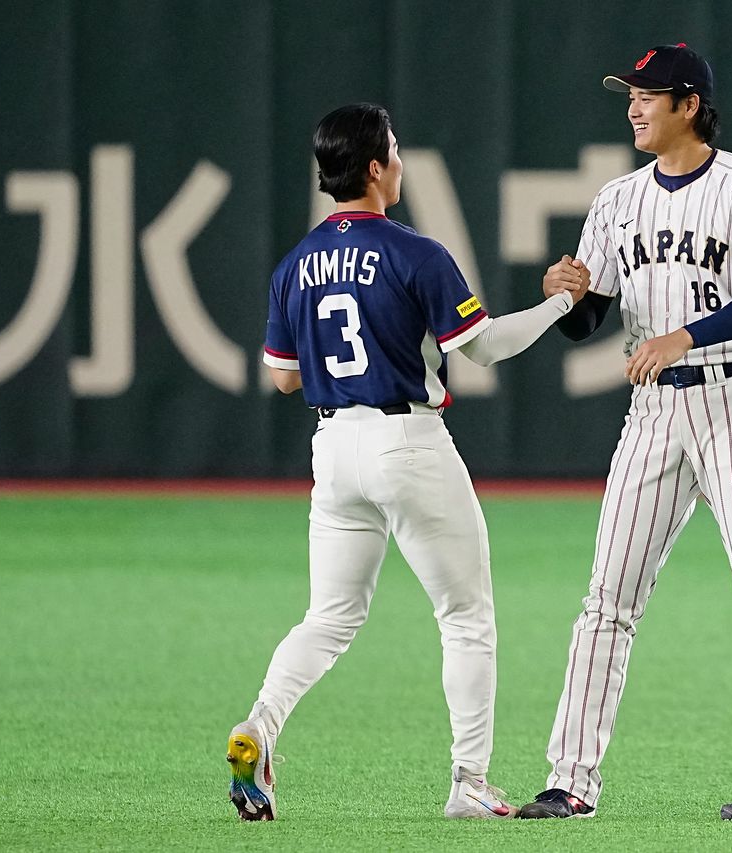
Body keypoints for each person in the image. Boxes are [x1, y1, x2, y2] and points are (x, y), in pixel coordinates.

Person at [226, 103, 588, 821]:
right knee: (466, 616)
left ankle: (260, 725)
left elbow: (283, 376)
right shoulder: (414, 252)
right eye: (392, 150)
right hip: (407, 441)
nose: (400, 161)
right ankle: (470, 781)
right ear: (373, 167)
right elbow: (482, 347)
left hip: (335, 449)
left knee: (330, 616)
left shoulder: (295, 263)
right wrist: (557, 305)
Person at [517, 44, 732, 822]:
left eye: (648, 95)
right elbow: (588, 319)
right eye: (630, 94)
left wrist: (685, 335)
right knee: (607, 597)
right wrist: (563, 293)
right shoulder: (617, 200)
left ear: (690, 104)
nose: (633, 106)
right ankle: (571, 779)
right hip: (656, 411)